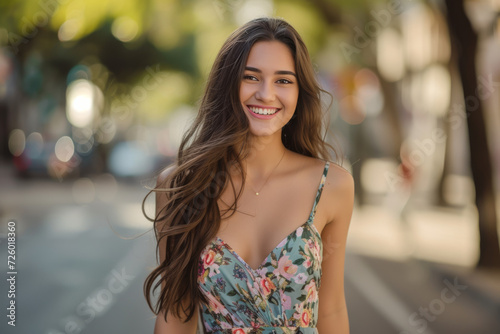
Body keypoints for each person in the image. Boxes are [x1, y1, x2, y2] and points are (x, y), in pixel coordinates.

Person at [143, 17, 354, 334]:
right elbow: (176, 314)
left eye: (283, 81)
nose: (266, 94)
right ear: (228, 84)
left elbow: (332, 309)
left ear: (300, 92)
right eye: (251, 77)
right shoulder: (180, 187)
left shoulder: (332, 186)